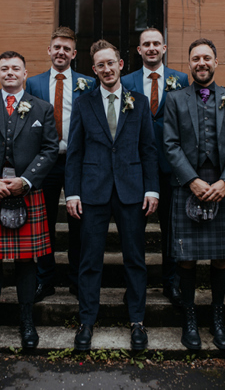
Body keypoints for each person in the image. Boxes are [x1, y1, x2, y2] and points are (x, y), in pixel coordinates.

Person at [0, 51, 59, 350]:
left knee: (27, 260)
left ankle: (26, 321)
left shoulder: (42, 108)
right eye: (4, 68)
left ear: (26, 73)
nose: (10, 72)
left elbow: (49, 149)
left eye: (16, 68)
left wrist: (26, 181)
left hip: (26, 192)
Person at [65, 40, 159, 351]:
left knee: (135, 259)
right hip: (93, 190)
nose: (106, 69)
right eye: (100, 65)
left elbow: (148, 149)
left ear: (121, 64)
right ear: (94, 70)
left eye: (111, 63)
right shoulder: (84, 103)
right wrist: (73, 193)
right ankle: (87, 321)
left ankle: (137, 322)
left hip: (131, 190)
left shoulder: (139, 102)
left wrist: (151, 188)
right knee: (90, 260)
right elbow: (75, 153)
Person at [163, 38, 225, 351]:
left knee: (221, 258)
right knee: (186, 259)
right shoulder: (174, 99)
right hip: (189, 185)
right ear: (189, 64)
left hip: (221, 185)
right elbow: (169, 144)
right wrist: (192, 180)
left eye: (207, 58)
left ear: (215, 62)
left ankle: (218, 318)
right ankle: (190, 320)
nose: (201, 63)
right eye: (196, 58)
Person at [25, 26, 97, 302]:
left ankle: (77, 279)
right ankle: (45, 280)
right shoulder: (34, 83)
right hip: (45, 162)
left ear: (74, 54)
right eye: (57, 47)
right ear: (49, 50)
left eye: (67, 49)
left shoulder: (87, 83)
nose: (61, 52)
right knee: (44, 223)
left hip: (77, 161)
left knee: (80, 221)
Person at [121, 27, 189, 306]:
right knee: (133, 231)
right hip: (135, 166)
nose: (151, 48)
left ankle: (170, 282)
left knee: (170, 229)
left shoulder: (181, 79)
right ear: (139, 50)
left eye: (156, 44)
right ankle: (135, 286)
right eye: (146, 44)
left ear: (164, 48)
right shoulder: (126, 81)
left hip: (170, 166)